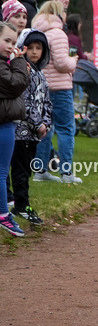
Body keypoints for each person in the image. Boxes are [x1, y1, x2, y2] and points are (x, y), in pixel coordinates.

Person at [32, 1, 79, 183]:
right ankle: (66, 172)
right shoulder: (58, 33)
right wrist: (74, 61)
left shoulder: (37, 32)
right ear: (59, 14)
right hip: (60, 88)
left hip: (42, 87)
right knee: (66, 129)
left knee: (45, 129)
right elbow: (61, 63)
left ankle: (40, 170)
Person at [9, 28, 51, 225]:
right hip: (21, 132)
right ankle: (21, 205)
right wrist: (38, 123)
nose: (34, 52)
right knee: (20, 170)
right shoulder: (23, 71)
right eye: (30, 47)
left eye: (38, 48)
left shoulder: (40, 74)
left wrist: (46, 123)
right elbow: (25, 101)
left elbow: (46, 102)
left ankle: (22, 204)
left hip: (34, 133)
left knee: (27, 169)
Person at [0, 22, 29, 237]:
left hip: (6, 123)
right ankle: (3, 215)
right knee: (1, 172)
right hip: (4, 124)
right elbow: (15, 84)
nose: (11, 46)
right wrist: (19, 62)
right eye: (6, 41)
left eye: (14, 42)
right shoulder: (4, 65)